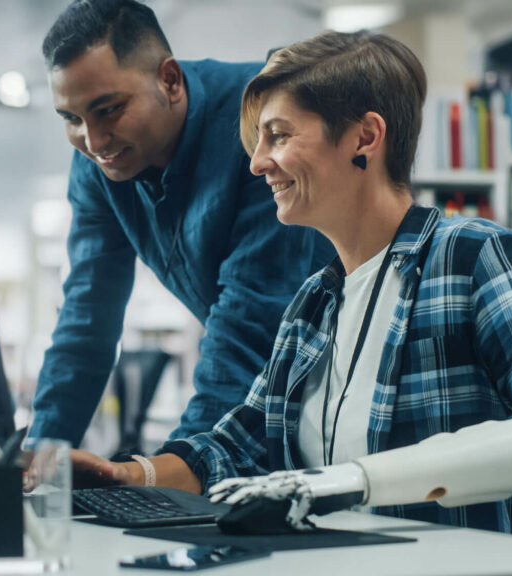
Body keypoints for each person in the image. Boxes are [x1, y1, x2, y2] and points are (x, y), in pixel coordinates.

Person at [70, 30, 512, 538]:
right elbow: (239, 445)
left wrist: (357, 480)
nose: (257, 163)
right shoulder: (314, 303)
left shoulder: (470, 257)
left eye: (278, 135)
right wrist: (127, 476)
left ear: (365, 137)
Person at [29, 0, 334, 448]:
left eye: (108, 110)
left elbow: (250, 319)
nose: (93, 142)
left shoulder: (262, 125)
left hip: (348, 381)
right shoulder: (98, 165)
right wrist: (43, 453)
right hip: (271, 386)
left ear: (169, 80)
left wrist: (175, 467)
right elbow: (86, 314)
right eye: (72, 119)